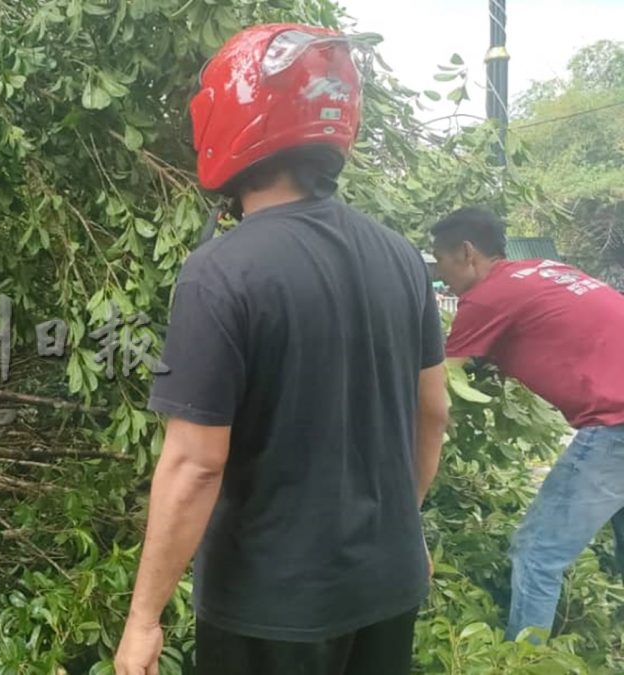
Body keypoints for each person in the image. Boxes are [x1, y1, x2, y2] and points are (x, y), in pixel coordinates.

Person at [113, 24, 449, 675]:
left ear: (233, 117)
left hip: (273, 608)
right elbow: (432, 413)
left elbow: (195, 464)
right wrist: (399, 530)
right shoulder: (402, 257)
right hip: (389, 585)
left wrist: (141, 619)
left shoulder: (222, 272)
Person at [430, 206, 624, 642]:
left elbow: (441, 384)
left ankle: (526, 662)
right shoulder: (545, 269)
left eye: (440, 261)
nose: (442, 277)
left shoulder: (485, 298)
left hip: (616, 423)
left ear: (466, 252)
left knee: (538, 552)